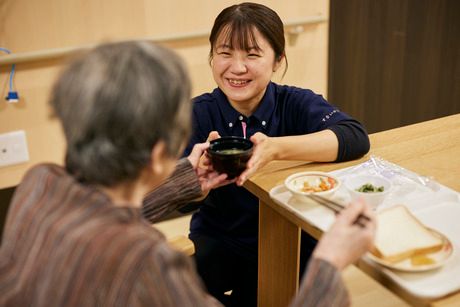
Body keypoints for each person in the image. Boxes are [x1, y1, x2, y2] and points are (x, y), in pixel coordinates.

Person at [0, 41, 375, 307]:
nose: (237, 66)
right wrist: (329, 264)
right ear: (159, 150)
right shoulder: (145, 264)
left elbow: (99, 216)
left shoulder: (38, 182)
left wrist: (187, 179)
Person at [180, 3, 371, 306]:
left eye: (252, 54)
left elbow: (354, 136)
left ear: (277, 60)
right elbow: (168, 191)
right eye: (225, 52)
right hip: (220, 237)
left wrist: (277, 148)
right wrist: (193, 181)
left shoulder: (294, 103)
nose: (237, 68)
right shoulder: (197, 113)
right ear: (212, 56)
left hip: (290, 239)